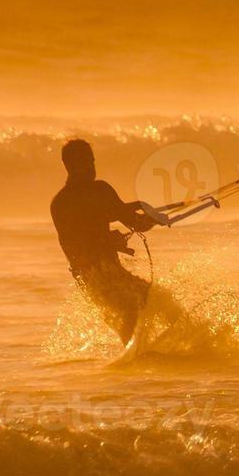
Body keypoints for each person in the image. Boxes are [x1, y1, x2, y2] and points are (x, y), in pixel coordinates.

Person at [50, 139, 170, 342]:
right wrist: (106, 240)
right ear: (69, 166)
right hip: (89, 277)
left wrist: (150, 217)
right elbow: (72, 247)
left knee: (156, 299)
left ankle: (173, 342)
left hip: (112, 270)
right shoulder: (62, 204)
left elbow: (133, 221)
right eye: (84, 163)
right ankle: (131, 357)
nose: (90, 167)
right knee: (131, 307)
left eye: (92, 161)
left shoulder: (101, 190)